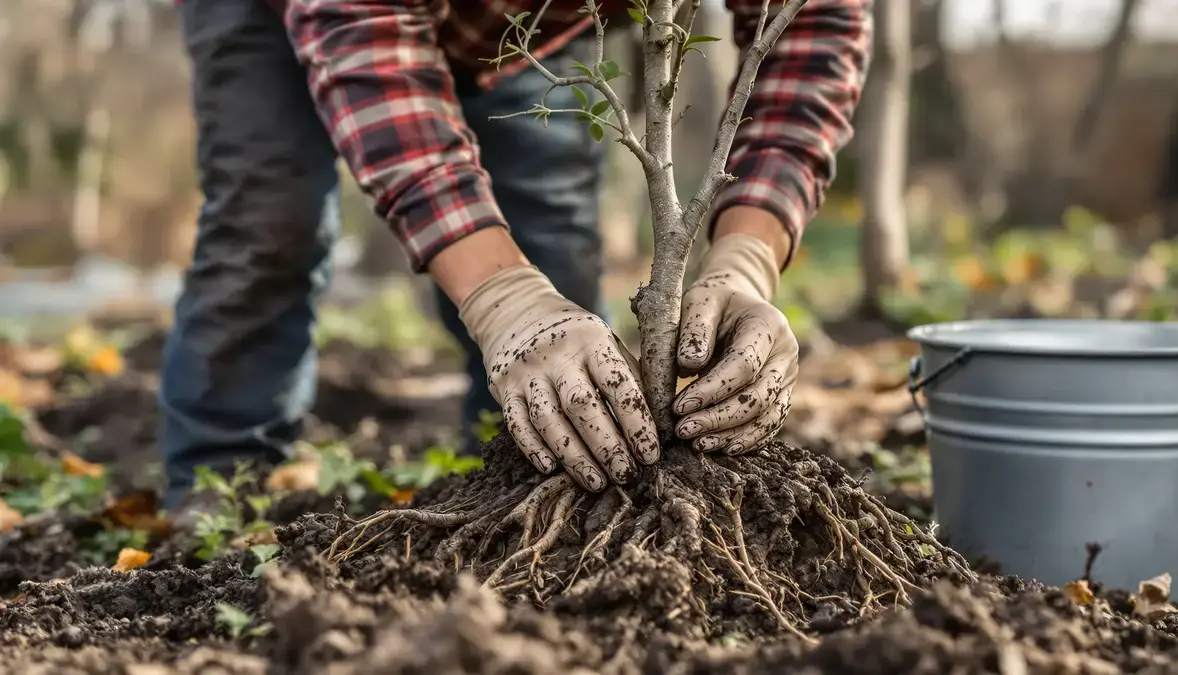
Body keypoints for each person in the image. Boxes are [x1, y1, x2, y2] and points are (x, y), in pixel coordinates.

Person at [162, 0, 871, 515]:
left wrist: (747, 257)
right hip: (288, 14)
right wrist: (502, 300)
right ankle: (223, 485)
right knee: (269, 221)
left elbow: (811, 27)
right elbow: (373, 55)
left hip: (524, 27)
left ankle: (511, 481)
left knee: (552, 268)